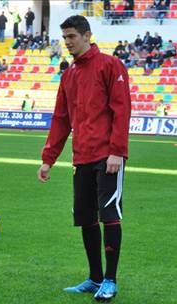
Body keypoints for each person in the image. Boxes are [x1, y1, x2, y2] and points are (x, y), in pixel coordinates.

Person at [37, 15, 131, 302]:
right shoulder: (69, 75)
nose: (67, 42)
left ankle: (111, 281)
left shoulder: (110, 66)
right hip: (82, 157)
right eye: (64, 37)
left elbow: (121, 109)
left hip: (107, 156)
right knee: (86, 218)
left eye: (72, 37)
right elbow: (61, 119)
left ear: (87, 36)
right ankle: (94, 278)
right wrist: (48, 158)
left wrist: (117, 150)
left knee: (109, 215)